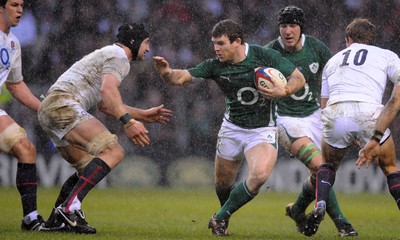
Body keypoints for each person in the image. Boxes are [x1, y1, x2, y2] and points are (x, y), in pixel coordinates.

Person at [153, 19, 305, 236]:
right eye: (214, 43)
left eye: (221, 43)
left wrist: (286, 91)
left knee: (260, 175)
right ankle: (223, 221)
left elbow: (298, 77)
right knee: (223, 183)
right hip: (231, 129)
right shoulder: (215, 65)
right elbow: (181, 78)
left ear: (237, 42)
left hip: (261, 130)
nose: (216, 48)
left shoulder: (264, 55)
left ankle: (219, 217)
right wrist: (166, 73)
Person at [37, 23, 173, 234]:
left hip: (51, 108)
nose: (148, 49)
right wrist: (128, 121)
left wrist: (142, 114)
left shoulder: (109, 54)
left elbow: (104, 103)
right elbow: (108, 89)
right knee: (114, 151)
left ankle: (57, 220)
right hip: (63, 104)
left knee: (88, 166)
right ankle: (70, 208)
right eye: (147, 43)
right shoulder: (119, 56)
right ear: (134, 42)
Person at [264, 5, 357, 237]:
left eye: (292, 25)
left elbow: (336, 80)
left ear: (300, 27)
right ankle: (342, 224)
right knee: (320, 166)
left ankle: (297, 210)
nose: (287, 30)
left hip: (315, 115)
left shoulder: (316, 48)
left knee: (323, 172)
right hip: (286, 119)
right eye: (283, 25)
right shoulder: (269, 52)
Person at [305, 18, 400, 236]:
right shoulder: (385, 54)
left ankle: (320, 203)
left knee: (328, 165)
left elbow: (324, 105)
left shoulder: (332, 60)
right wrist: (373, 139)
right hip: (369, 112)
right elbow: (395, 101)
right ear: (371, 40)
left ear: (348, 40)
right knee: (390, 167)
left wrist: (347, 132)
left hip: (335, 112)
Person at [0, 0, 45, 231]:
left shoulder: (13, 43)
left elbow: (15, 85)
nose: (20, 10)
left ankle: (30, 219)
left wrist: (43, 110)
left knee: (26, 149)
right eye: (14, 5)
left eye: (22, 5)